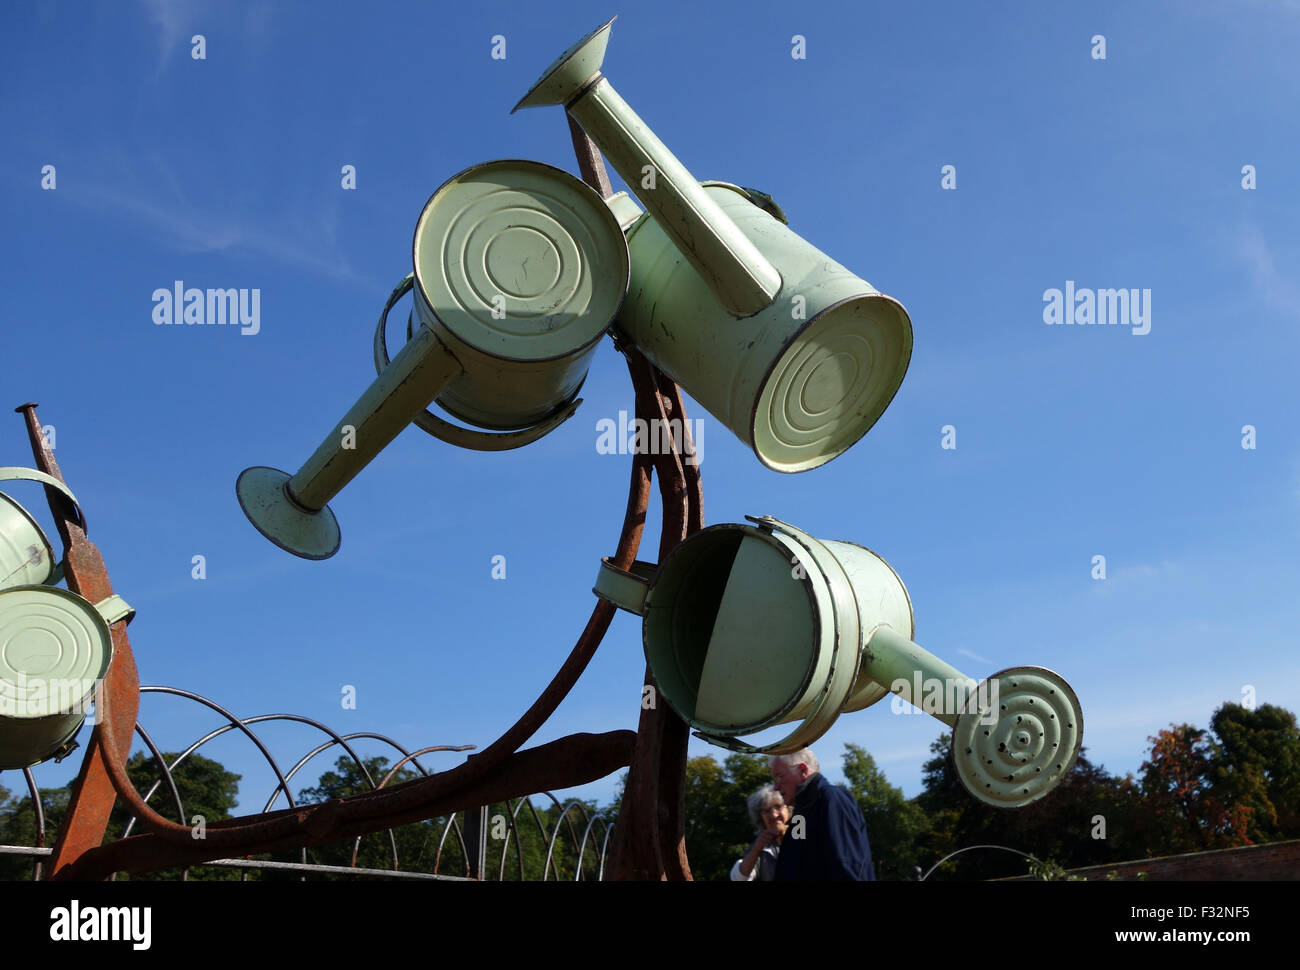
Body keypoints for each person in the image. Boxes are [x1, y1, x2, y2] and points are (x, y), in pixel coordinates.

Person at [769, 747, 875, 880]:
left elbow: (848, 864)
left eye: (779, 777)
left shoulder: (832, 799)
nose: (775, 787)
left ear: (802, 770)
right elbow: (794, 864)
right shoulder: (801, 814)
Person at [729, 784, 790, 881]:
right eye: (767, 811)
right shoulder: (761, 849)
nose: (774, 815)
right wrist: (756, 849)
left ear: (789, 809)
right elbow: (738, 878)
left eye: (778, 807)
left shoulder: (805, 835)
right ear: (761, 818)